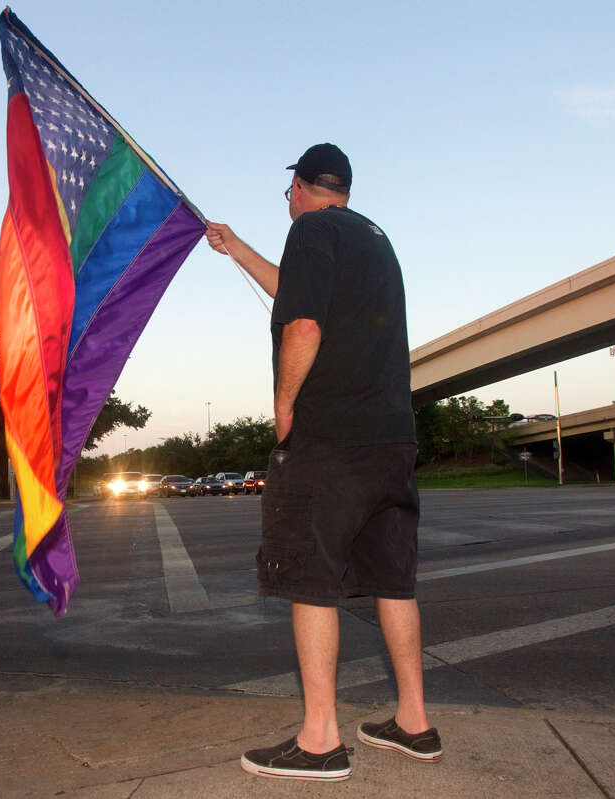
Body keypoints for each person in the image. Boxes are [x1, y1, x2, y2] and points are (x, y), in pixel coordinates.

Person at [206, 143, 441, 782]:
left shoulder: (310, 230)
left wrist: (285, 406)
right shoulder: (373, 238)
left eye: (288, 193)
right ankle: (414, 722)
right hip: (391, 440)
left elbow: (302, 322)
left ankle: (319, 741)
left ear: (302, 189)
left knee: (310, 578)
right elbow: (298, 291)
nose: (288, 203)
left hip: (330, 438)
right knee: (394, 578)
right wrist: (238, 247)